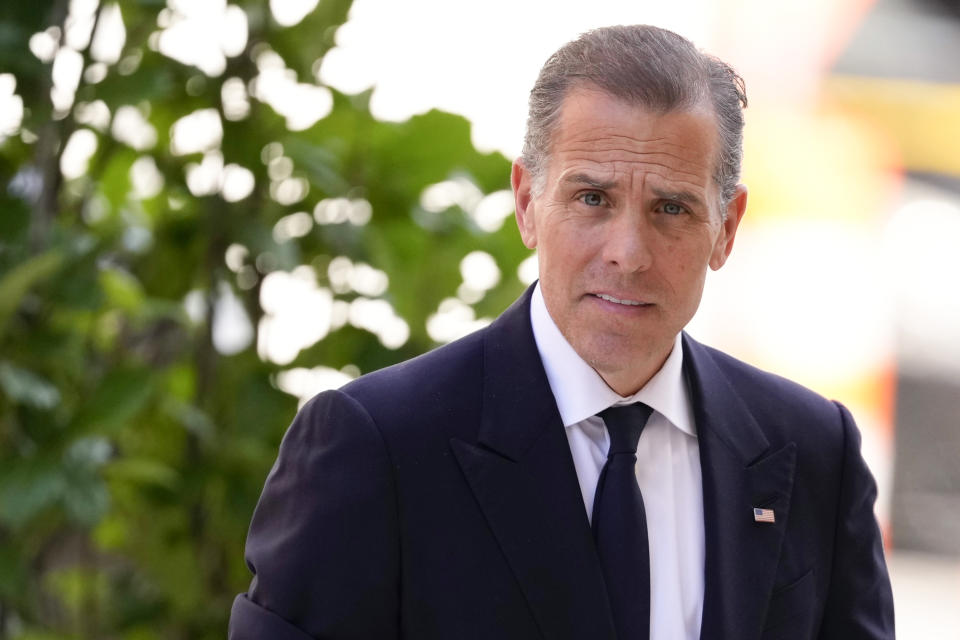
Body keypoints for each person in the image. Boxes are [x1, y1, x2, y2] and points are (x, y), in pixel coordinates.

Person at [228, 25, 895, 640]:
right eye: (592, 199)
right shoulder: (374, 447)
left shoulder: (813, 452)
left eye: (671, 208)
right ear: (526, 203)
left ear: (725, 228)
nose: (628, 253)